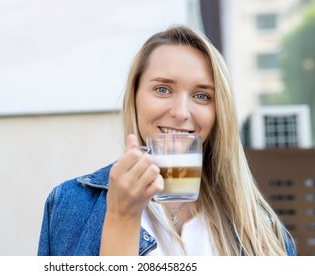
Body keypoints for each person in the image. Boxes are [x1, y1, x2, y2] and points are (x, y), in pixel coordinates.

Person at [37, 25, 296, 256]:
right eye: (162, 89)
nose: (181, 112)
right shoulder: (71, 205)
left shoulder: (261, 227)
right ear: (135, 96)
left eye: (202, 96)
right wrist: (121, 217)